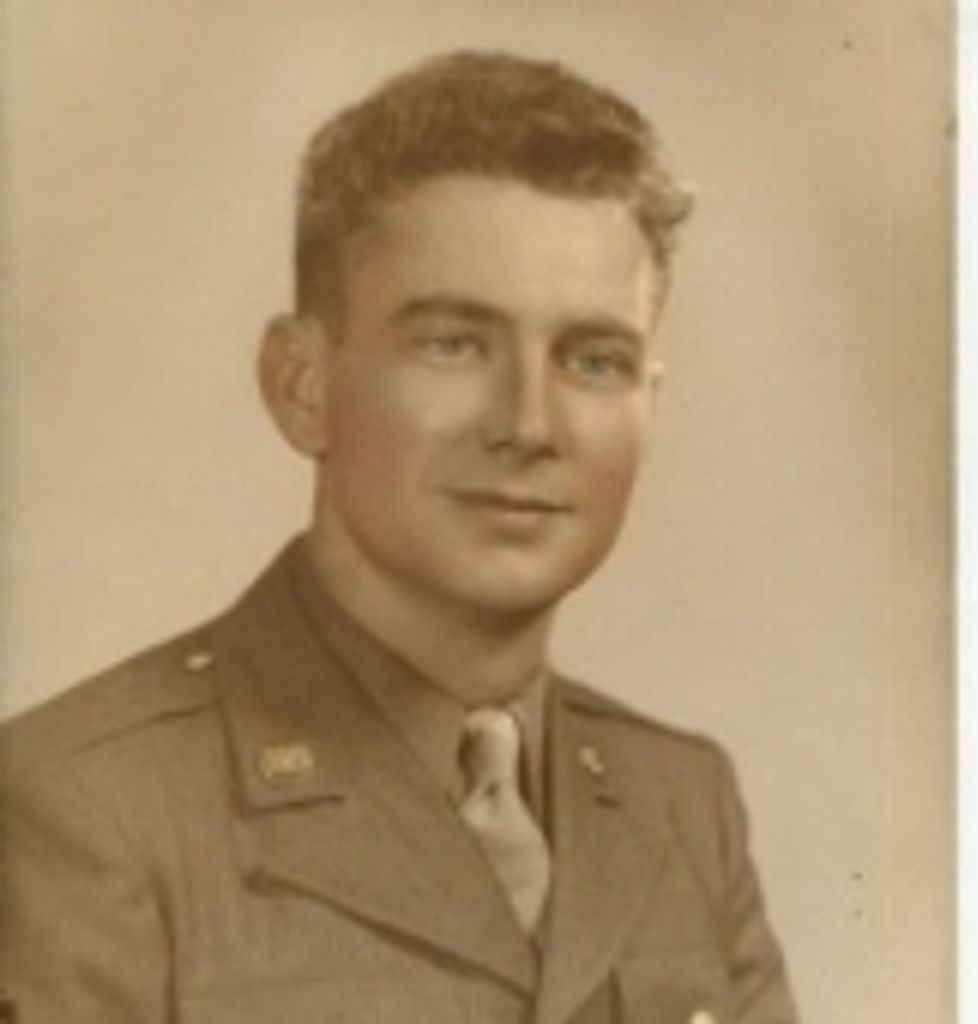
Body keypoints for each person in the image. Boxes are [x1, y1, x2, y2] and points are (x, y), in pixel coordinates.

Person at [0, 52, 799, 1023]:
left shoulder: (681, 800)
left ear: (648, 407)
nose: (530, 423)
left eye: (594, 360)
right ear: (302, 385)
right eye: (454, 343)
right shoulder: (83, 808)